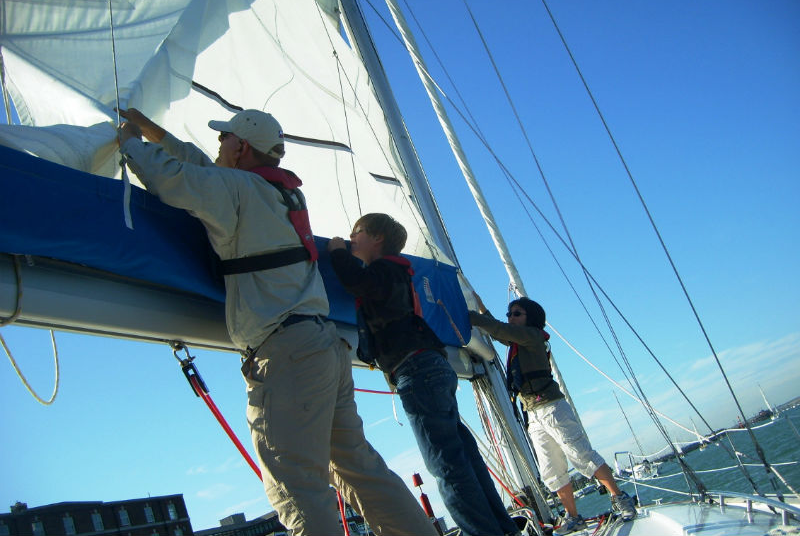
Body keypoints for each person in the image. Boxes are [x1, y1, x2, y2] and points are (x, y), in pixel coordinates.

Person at [116, 109, 437, 536]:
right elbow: (199, 164)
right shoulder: (279, 194)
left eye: (224, 140)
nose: (218, 147)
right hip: (323, 345)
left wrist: (130, 141)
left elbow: (170, 177)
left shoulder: (238, 190)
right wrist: (153, 130)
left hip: (287, 354)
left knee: (297, 486)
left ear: (241, 146)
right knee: (360, 468)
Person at [327, 213, 521, 536]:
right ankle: (503, 530)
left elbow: (358, 282)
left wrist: (335, 252)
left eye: (356, 232)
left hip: (416, 371)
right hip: (430, 368)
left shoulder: (384, 270)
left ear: (377, 239)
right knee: (463, 457)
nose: (350, 237)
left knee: (447, 466)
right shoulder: (398, 272)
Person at [469, 295, 637, 535]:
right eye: (509, 314)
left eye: (516, 313)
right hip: (534, 414)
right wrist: (483, 309)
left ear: (530, 318)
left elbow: (499, 329)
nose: (511, 318)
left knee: (581, 455)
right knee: (551, 469)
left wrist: (470, 316)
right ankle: (573, 516)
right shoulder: (517, 340)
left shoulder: (532, 336)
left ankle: (620, 498)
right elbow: (498, 332)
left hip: (552, 409)